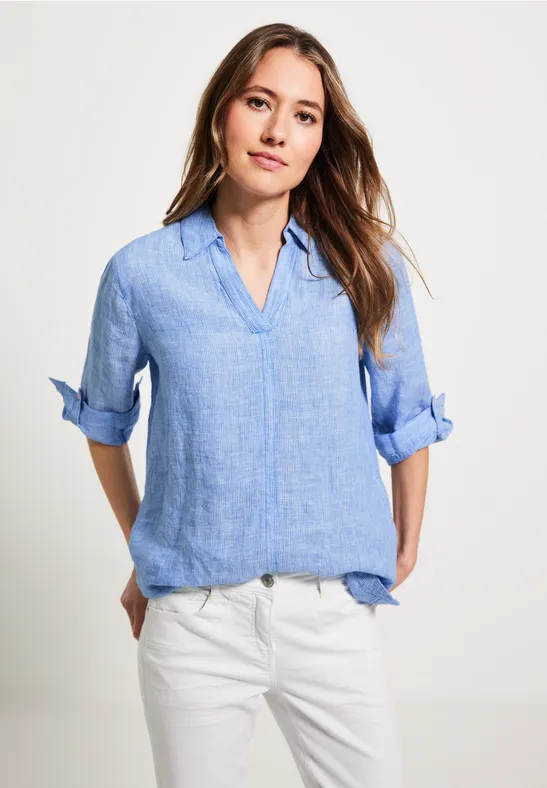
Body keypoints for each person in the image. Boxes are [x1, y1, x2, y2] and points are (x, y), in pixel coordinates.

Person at [49, 22, 453, 788]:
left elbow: (403, 416)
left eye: (304, 115)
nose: (277, 132)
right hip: (194, 622)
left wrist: (406, 541)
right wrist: (151, 546)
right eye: (259, 102)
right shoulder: (141, 275)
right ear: (219, 113)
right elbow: (104, 423)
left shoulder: (364, 267)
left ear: (321, 138)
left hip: (330, 611)